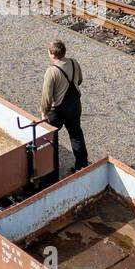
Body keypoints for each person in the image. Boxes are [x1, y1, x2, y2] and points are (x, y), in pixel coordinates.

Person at [41, 39, 88, 171]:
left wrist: (44, 112)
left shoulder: (52, 71)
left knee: (48, 136)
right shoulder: (74, 62)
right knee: (76, 134)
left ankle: (49, 168)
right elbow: (79, 80)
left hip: (60, 109)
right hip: (75, 104)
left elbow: (47, 96)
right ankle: (82, 166)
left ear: (52, 54)